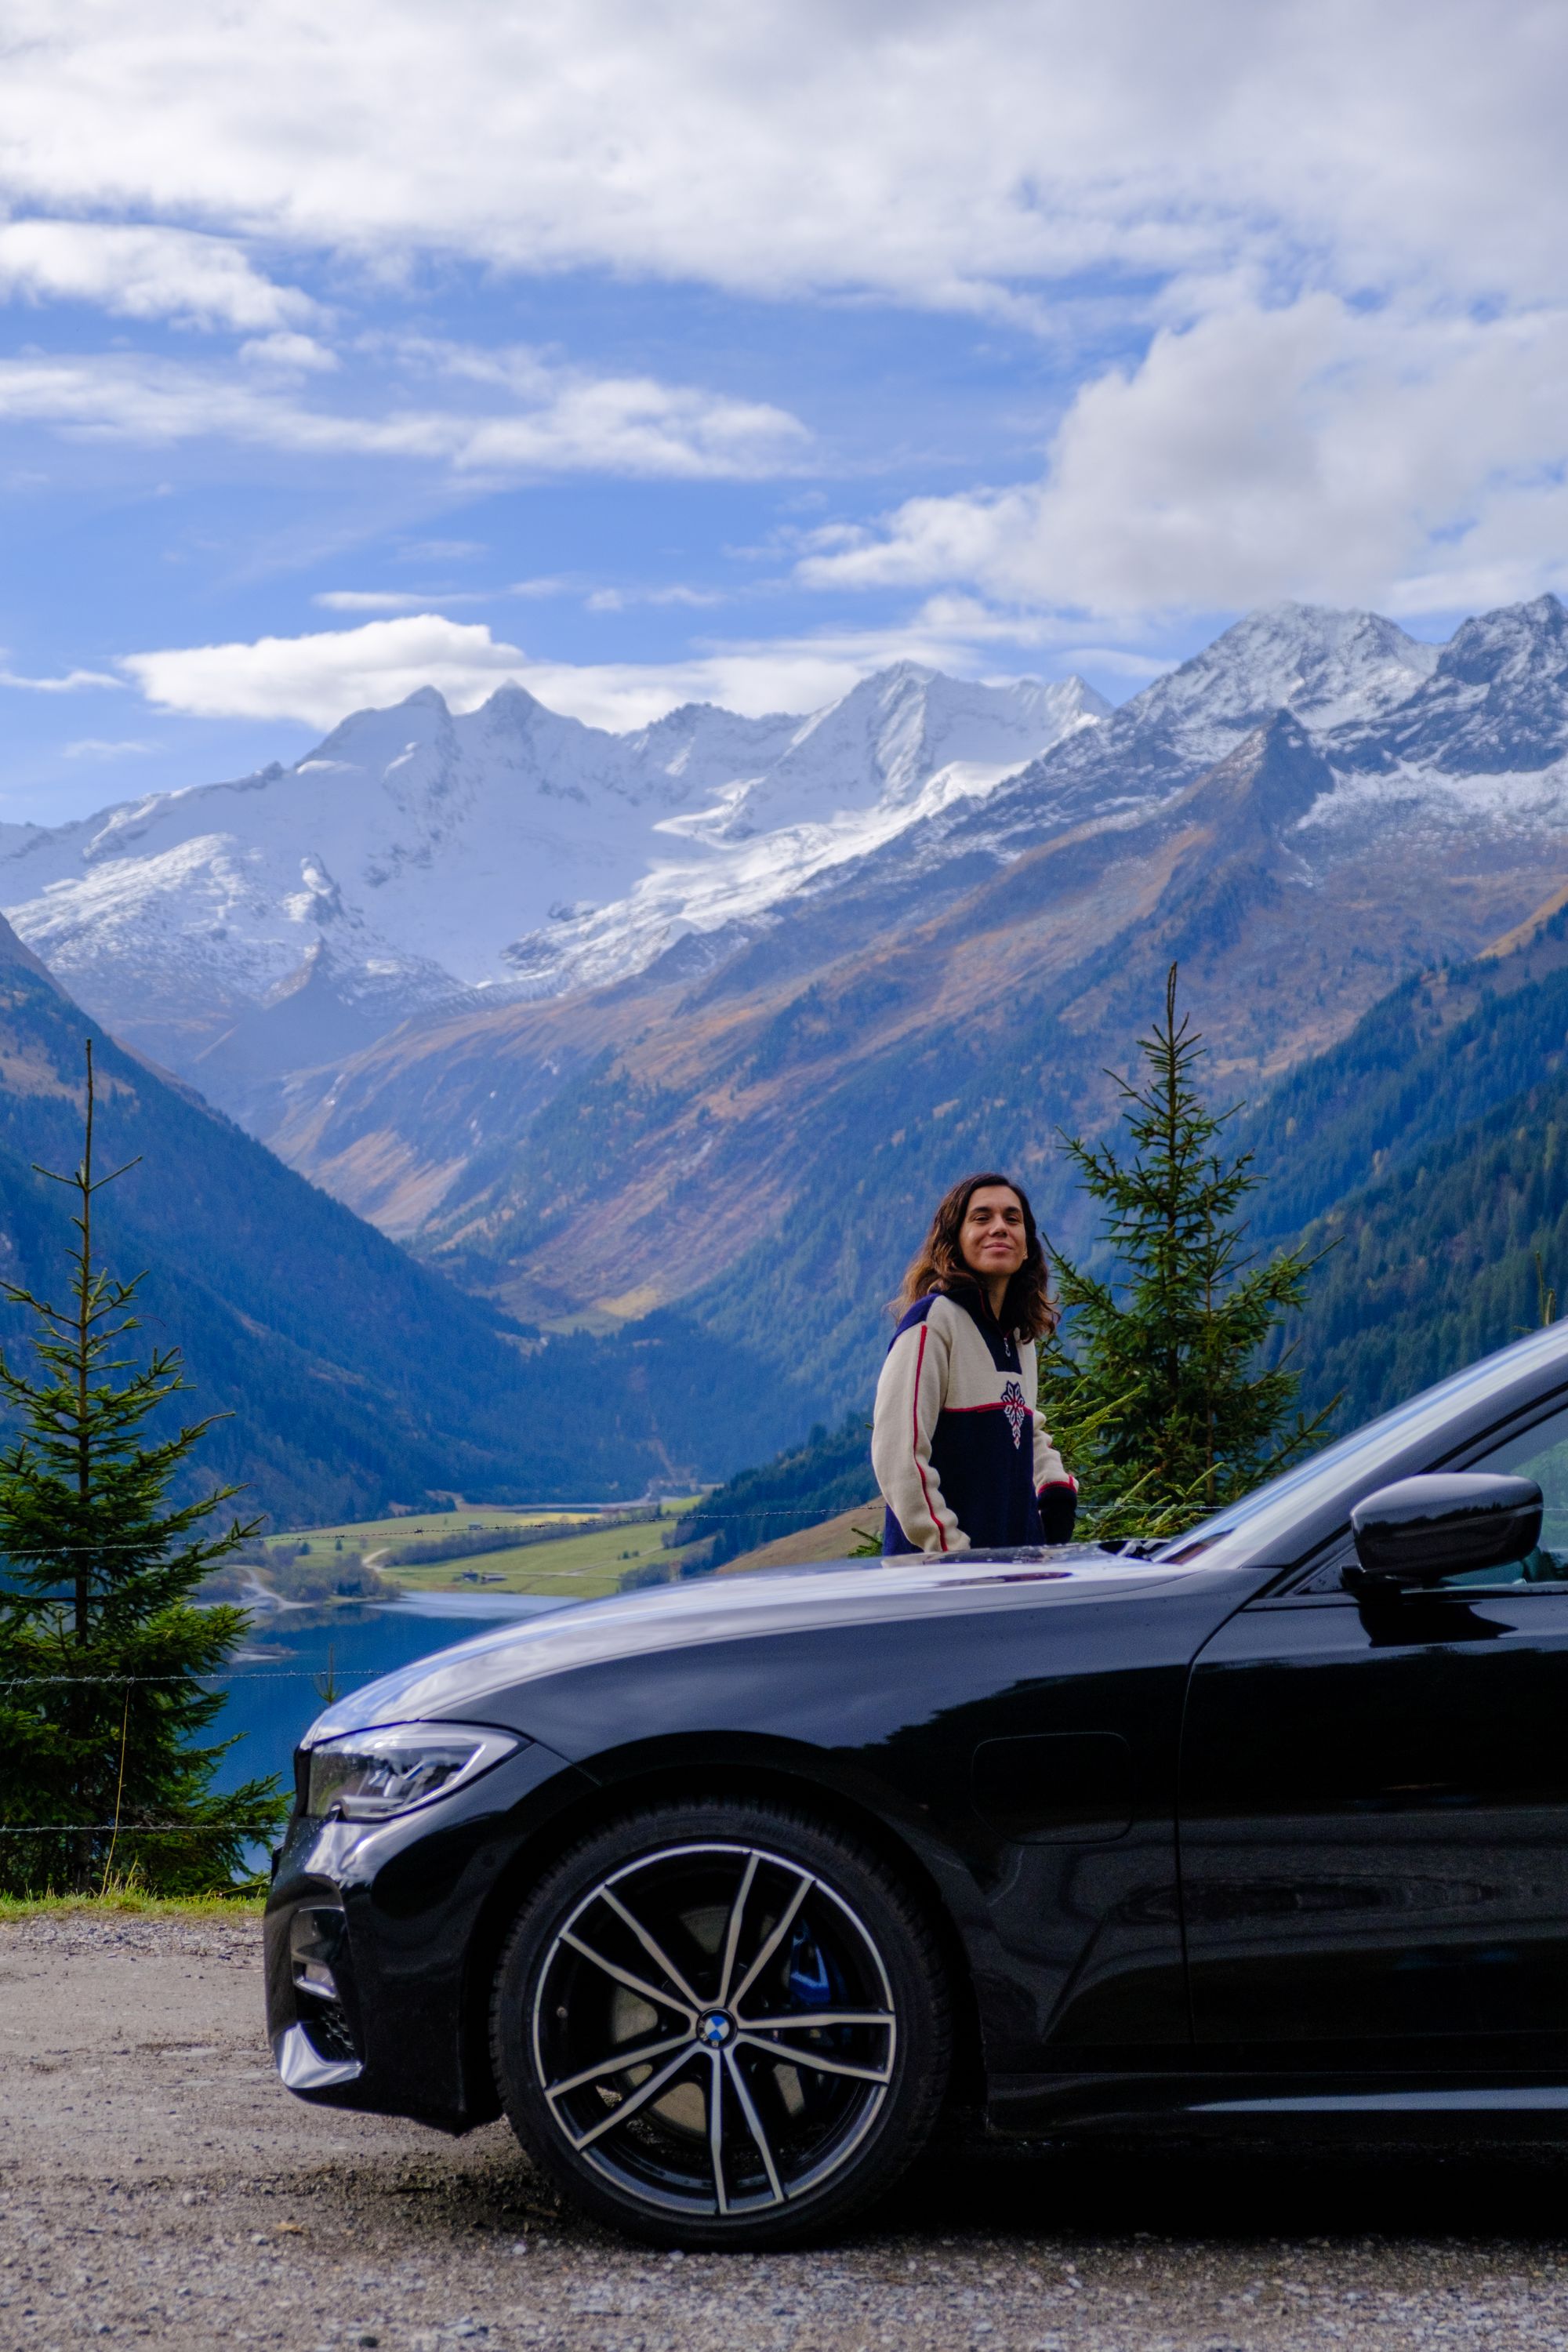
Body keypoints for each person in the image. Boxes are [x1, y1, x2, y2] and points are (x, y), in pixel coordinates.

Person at [873, 1170, 1077, 1556]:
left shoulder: (1018, 1335)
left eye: (1012, 1219)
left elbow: (1023, 1424)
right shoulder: (932, 1323)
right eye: (981, 1218)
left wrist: (1055, 1488)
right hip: (942, 1586)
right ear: (954, 1240)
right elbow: (899, 1458)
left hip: (1012, 1574)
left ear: (1027, 1246)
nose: (999, 1228)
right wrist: (957, 1556)